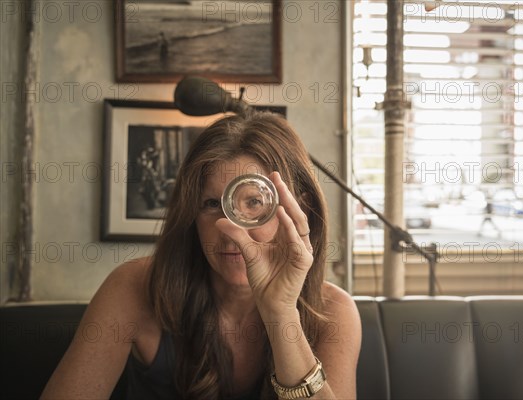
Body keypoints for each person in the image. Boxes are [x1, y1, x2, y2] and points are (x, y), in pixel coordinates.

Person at [41, 111, 362, 399]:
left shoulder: (334, 312)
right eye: (211, 204)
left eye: (254, 203)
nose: (230, 229)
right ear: (191, 214)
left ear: (298, 210)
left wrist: (281, 314)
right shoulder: (133, 287)